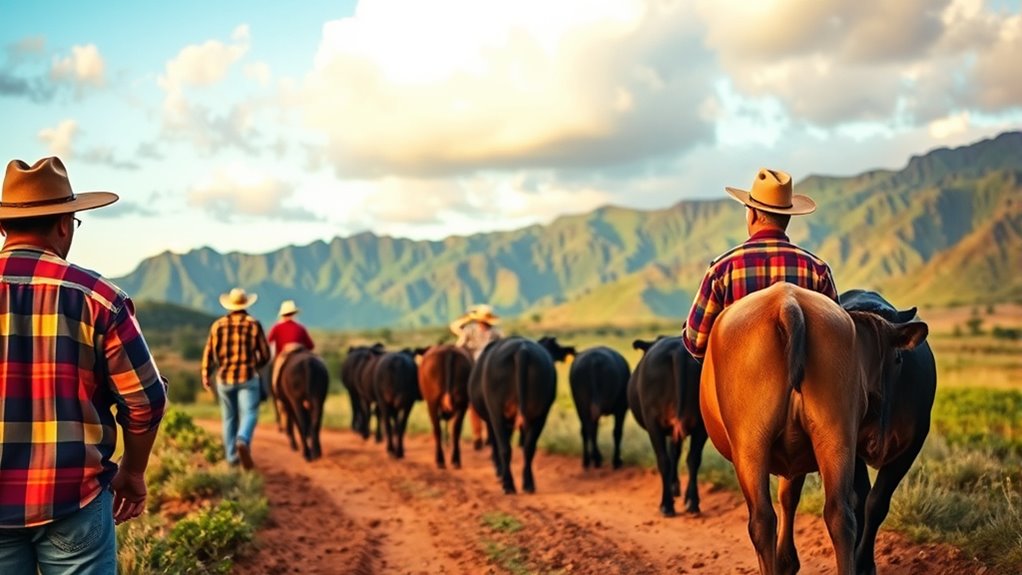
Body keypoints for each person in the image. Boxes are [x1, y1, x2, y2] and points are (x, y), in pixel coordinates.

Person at [0, 157, 168, 572]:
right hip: (73, 500)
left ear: (4, 227)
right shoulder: (100, 298)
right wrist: (132, 472)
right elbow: (146, 399)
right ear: (64, 224)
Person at [683, 168, 839, 360]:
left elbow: (695, 342)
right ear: (788, 217)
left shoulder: (722, 270)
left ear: (754, 215)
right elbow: (837, 339)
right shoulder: (817, 271)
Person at [201, 287, 270, 470]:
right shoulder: (253, 324)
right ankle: (243, 439)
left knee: (229, 418)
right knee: (250, 413)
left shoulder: (218, 325)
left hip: (224, 379)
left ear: (230, 305)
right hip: (248, 377)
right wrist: (256, 365)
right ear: (246, 304)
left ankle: (232, 458)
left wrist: (206, 374)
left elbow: (209, 352)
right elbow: (265, 354)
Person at [449, 304, 502, 450]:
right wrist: (468, 318)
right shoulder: (470, 329)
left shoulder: (495, 332)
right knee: (474, 404)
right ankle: (478, 434)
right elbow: (458, 338)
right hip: (473, 367)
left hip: (490, 366)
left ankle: (488, 434)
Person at [266, 300, 315, 427]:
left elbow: (268, 343)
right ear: (294, 313)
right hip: (301, 352)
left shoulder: (276, 327)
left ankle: (277, 395)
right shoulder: (301, 328)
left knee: (276, 378)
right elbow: (311, 345)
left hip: (284, 356)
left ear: (282, 314)